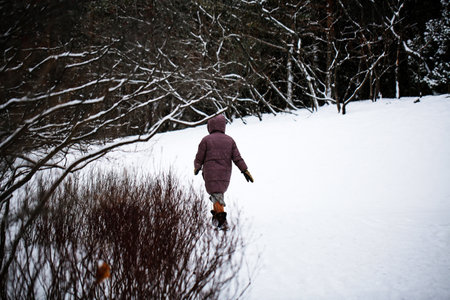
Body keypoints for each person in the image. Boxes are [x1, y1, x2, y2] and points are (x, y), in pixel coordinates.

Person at [194, 114, 253, 229]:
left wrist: (197, 166)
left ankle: (221, 220)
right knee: (217, 195)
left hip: (210, 173)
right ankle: (216, 218)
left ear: (209, 126)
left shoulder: (206, 140)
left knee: (216, 195)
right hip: (225, 174)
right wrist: (244, 170)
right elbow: (237, 158)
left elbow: (199, 157)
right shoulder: (230, 140)